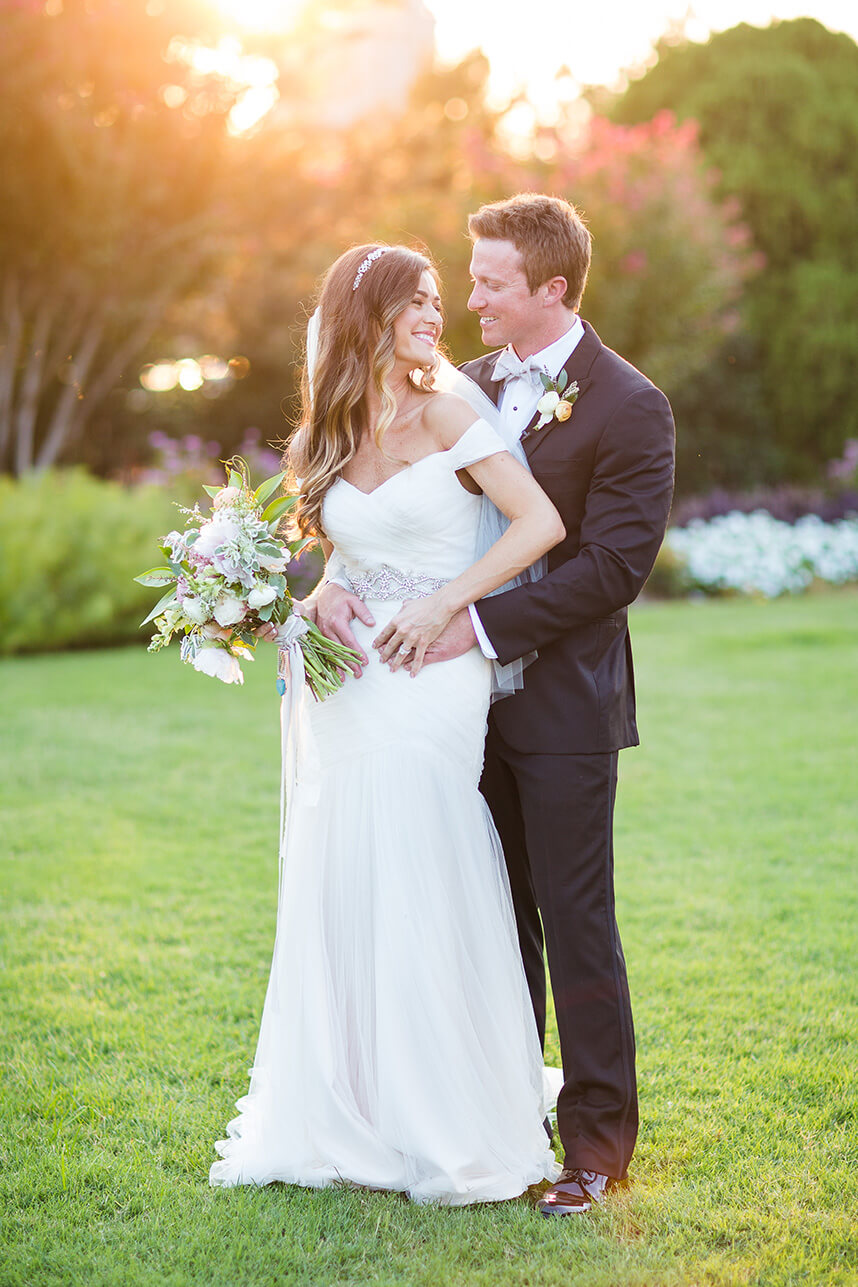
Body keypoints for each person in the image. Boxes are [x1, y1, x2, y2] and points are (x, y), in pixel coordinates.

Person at [317, 195, 676, 1216]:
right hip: (451, 711)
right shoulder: (455, 388)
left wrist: (467, 629)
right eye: (467, 280)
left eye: (489, 283)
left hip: (559, 707)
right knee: (488, 917)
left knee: (576, 924)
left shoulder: (629, 404)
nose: (467, 297)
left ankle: (598, 1150)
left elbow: (611, 567)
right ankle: (503, 1113)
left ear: (552, 290)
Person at [209, 242, 566, 1204]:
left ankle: (447, 1110)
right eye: (417, 300)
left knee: (420, 844)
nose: (434, 316)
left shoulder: (450, 410)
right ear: (365, 312)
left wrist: (446, 604)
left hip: (435, 665)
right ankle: (355, 1102)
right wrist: (326, 591)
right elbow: (349, 547)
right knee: (347, 857)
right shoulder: (328, 429)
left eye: (440, 301)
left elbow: (538, 525)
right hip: (353, 671)